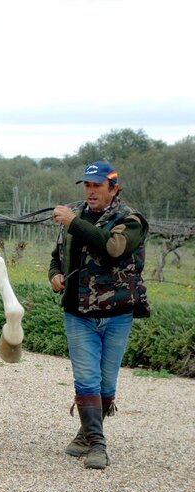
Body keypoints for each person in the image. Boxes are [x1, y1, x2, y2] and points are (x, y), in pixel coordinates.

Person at [49, 160, 150, 470]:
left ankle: (85, 434)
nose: (91, 192)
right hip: (78, 311)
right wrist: (55, 274)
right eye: (87, 186)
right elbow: (57, 256)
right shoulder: (75, 215)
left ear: (113, 188)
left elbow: (113, 248)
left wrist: (72, 222)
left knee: (107, 382)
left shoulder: (130, 220)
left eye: (97, 186)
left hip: (118, 312)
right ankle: (98, 445)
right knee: (87, 378)